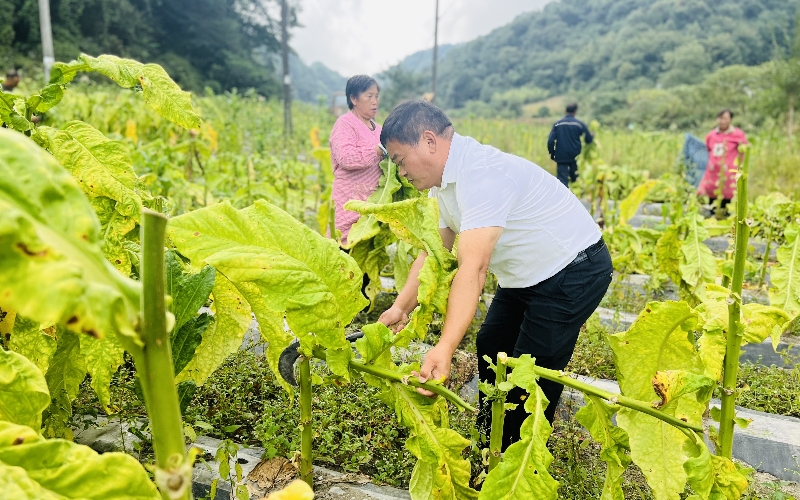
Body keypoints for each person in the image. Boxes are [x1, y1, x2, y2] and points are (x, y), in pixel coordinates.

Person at [377, 101, 612, 449]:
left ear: (429, 141)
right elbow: (434, 252)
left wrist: (444, 347)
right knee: (491, 347)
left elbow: (473, 268)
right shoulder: (442, 184)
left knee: (527, 373)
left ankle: (518, 458)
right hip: (525, 274)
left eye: (399, 160)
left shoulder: (482, 174)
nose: (400, 172)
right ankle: (490, 441)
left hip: (572, 269)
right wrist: (401, 307)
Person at [329, 75, 384, 245]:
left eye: (376, 96)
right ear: (353, 98)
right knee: (343, 249)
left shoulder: (379, 129)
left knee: (366, 256)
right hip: (349, 201)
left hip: (371, 205)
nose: (374, 101)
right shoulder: (345, 124)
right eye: (369, 96)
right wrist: (377, 150)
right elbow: (346, 158)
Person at [697, 109, 747, 214]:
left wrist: (739, 166)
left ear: (730, 120)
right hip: (713, 173)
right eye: (720, 118)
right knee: (712, 200)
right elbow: (706, 150)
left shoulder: (737, 134)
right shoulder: (711, 135)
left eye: (725, 118)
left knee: (726, 201)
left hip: (728, 173)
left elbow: (744, 151)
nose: (722, 121)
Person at [547, 103, 593, 187]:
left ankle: (563, 198)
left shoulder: (557, 124)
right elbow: (588, 140)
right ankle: (576, 197)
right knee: (575, 178)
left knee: (562, 181)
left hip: (561, 156)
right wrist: (592, 135)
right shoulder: (579, 124)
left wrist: (552, 153)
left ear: (566, 111)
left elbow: (550, 141)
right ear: (575, 111)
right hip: (575, 156)